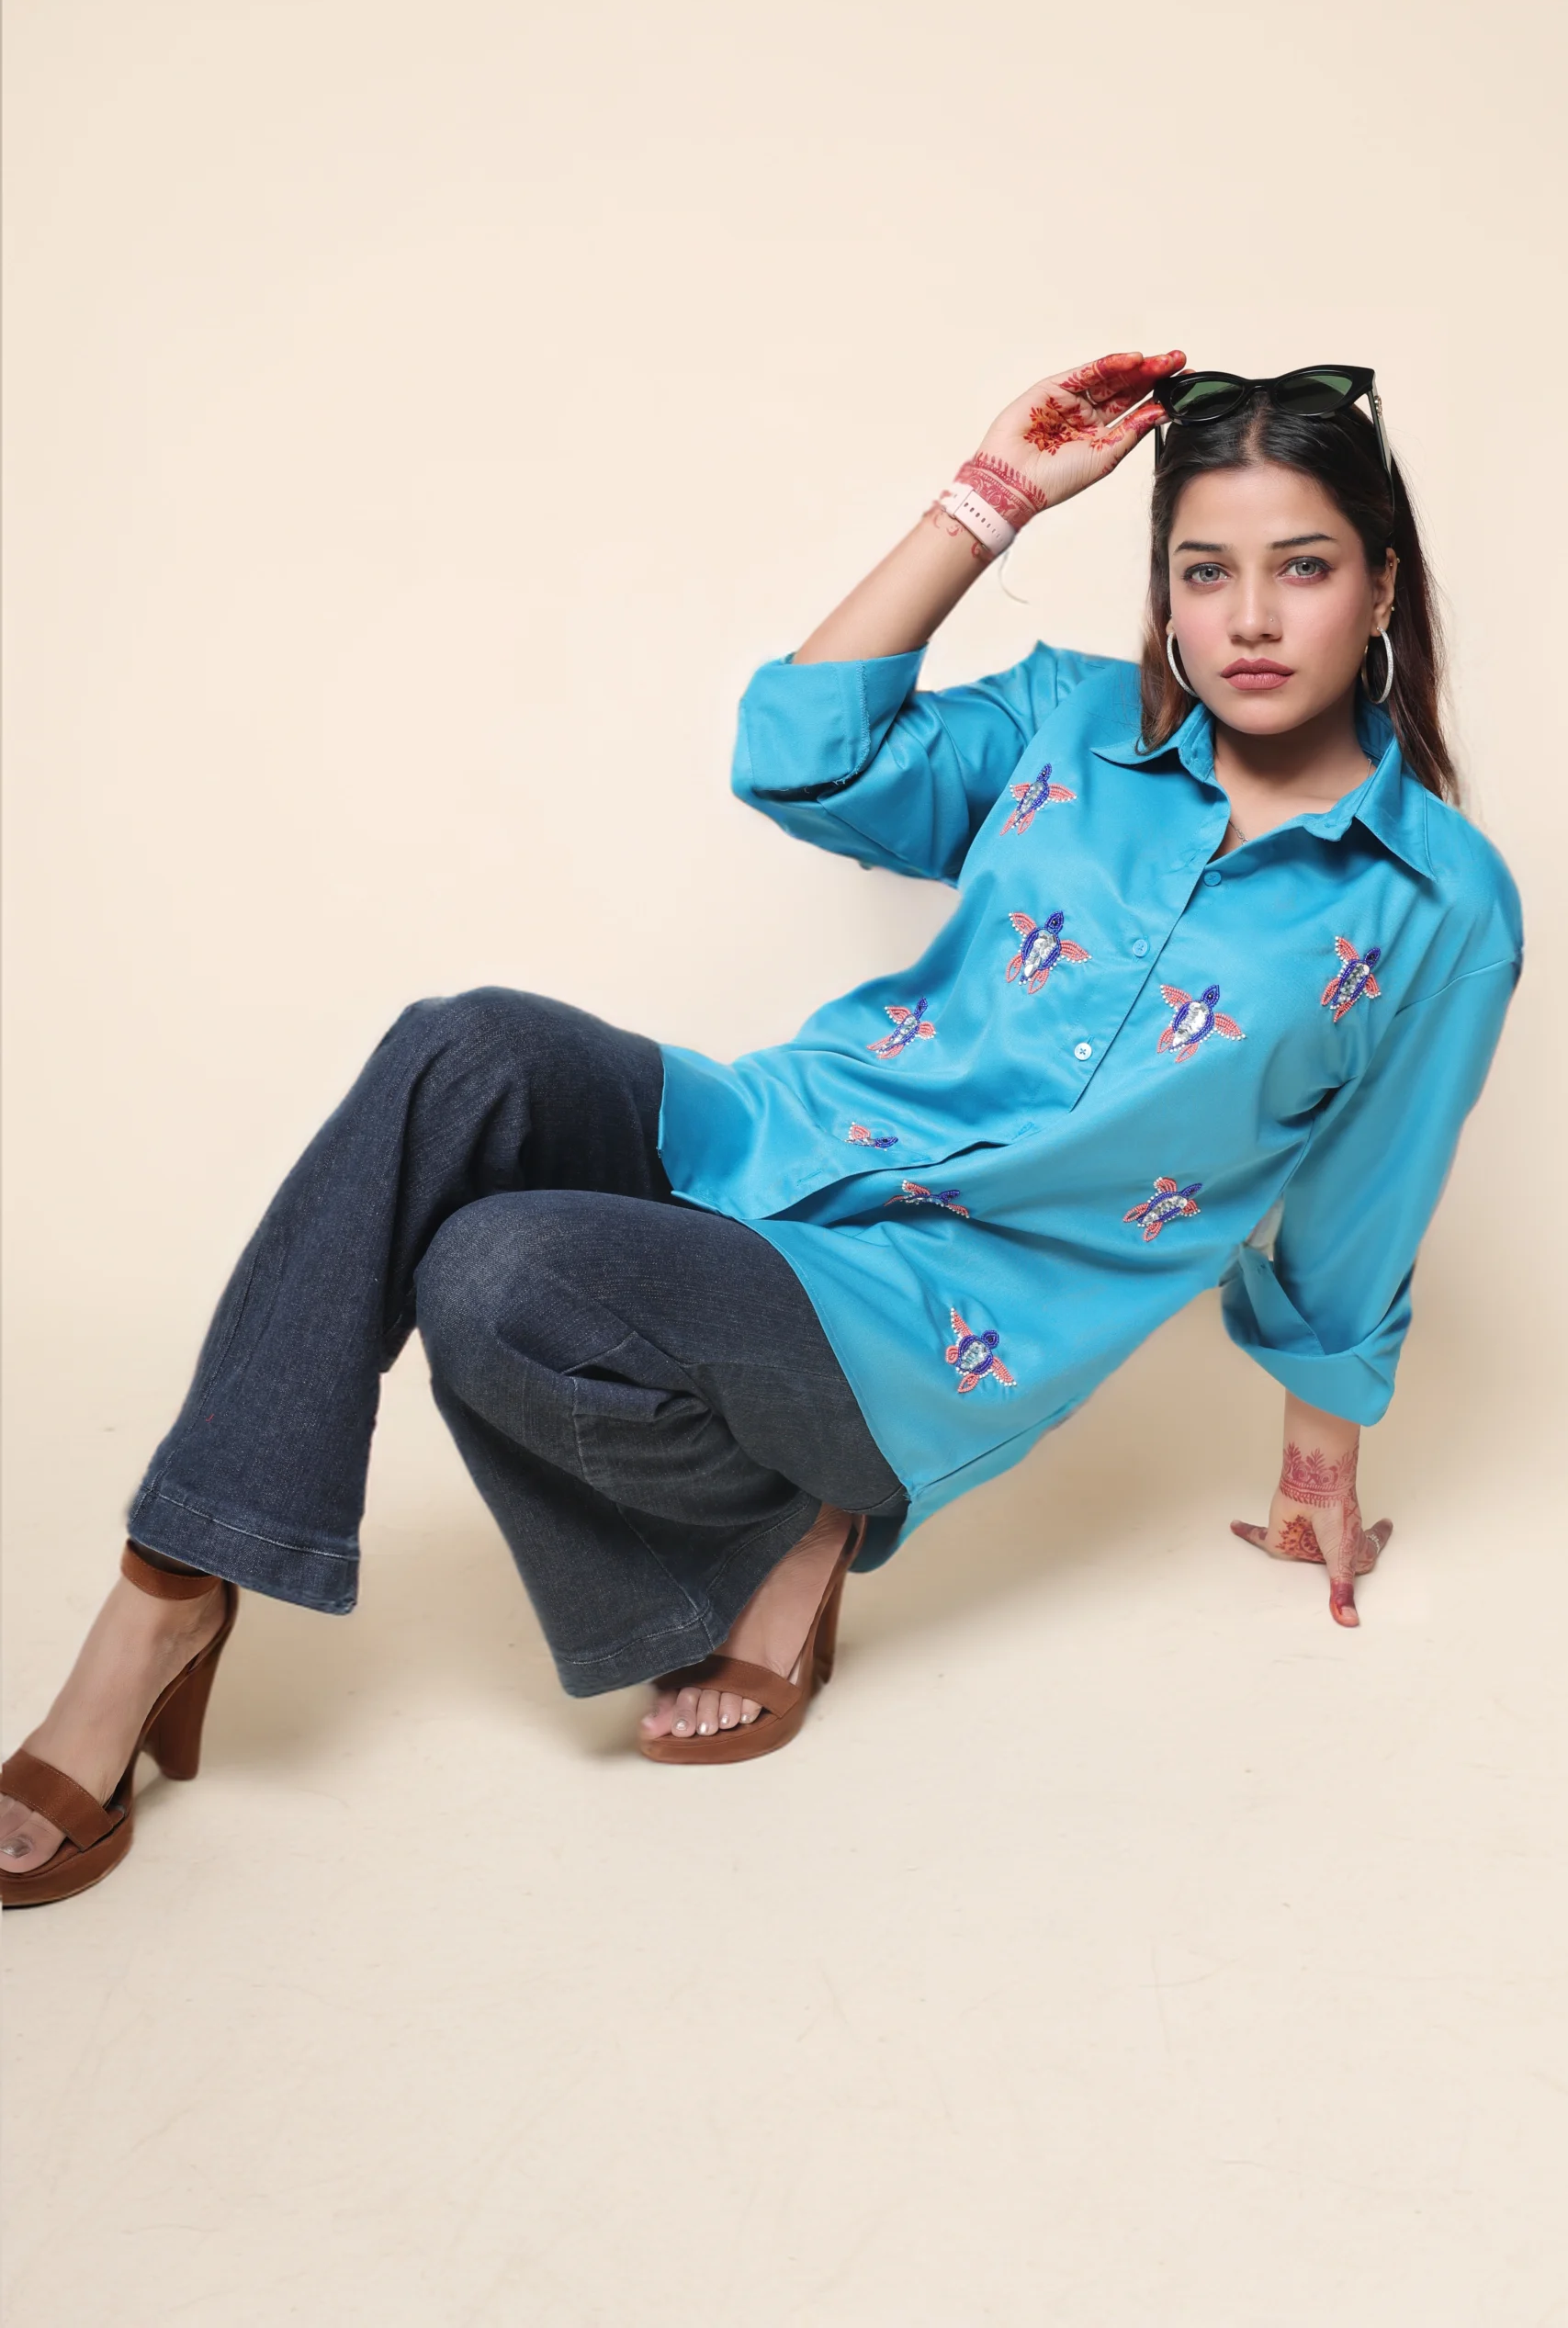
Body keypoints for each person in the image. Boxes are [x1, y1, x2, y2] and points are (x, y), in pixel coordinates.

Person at [2, 351, 1523, 1906]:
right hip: (777, 1133)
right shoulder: (1066, 723)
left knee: (499, 1274)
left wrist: (1319, 1451)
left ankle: (807, 1512)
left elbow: (1368, 1188)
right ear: (1165, 593)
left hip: (935, 1324)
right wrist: (990, 498)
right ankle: (168, 1596)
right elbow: (798, 755)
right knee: (463, 1051)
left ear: (1380, 585)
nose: (1249, 619)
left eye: (1301, 568)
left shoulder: (1437, 904)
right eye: (1204, 571)